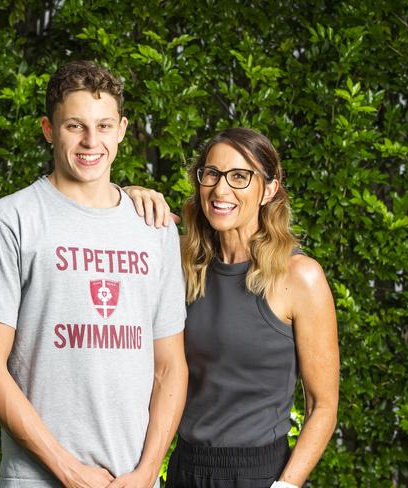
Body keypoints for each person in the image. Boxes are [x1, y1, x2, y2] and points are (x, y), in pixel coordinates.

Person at [0, 60, 188, 488]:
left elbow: (169, 367)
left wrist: (148, 471)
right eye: (75, 126)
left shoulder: (155, 228)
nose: (91, 141)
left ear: (123, 129)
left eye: (104, 126)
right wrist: (68, 470)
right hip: (37, 479)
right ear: (48, 129)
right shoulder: (10, 221)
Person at [125, 127, 339, 487]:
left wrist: (286, 486)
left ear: (268, 189)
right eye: (212, 174)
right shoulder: (177, 259)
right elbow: (106, 236)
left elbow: (323, 406)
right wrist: (128, 197)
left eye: (240, 177)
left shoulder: (300, 277)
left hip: (260, 475)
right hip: (185, 468)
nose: (221, 190)